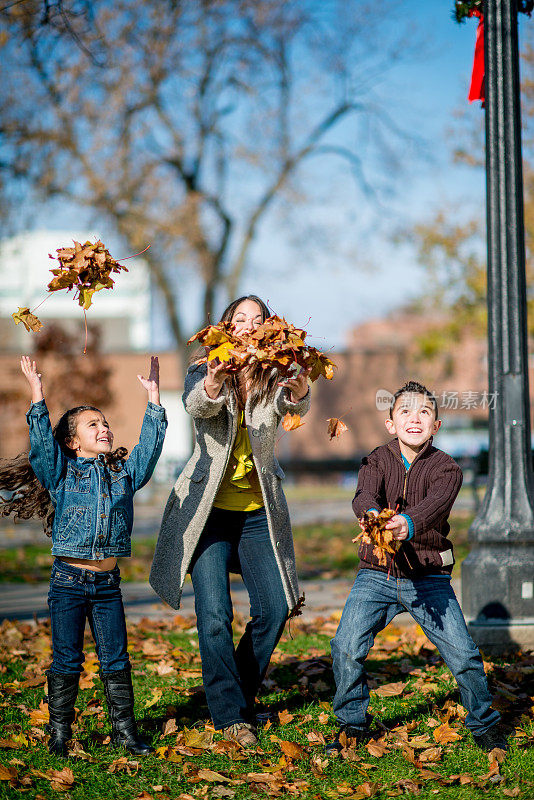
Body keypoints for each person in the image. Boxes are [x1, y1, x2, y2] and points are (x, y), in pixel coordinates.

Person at [150, 295, 310, 746]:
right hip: (208, 513)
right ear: (226, 324)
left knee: (276, 608)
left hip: (258, 511)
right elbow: (195, 407)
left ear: (268, 327)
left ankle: (231, 693)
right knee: (216, 613)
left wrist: (299, 392)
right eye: (240, 318)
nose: (248, 325)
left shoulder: (277, 367)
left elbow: (293, 408)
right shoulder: (205, 363)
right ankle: (230, 717)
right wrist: (216, 383)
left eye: (257, 319)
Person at [327, 380, 506, 754]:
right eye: (404, 411)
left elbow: (434, 508)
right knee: (346, 645)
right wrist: (373, 516)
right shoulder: (376, 459)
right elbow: (364, 495)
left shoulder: (447, 469)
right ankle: (351, 723)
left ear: (436, 426)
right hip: (377, 574)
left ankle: (484, 722)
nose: (415, 418)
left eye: (424, 412)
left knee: (465, 656)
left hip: (428, 578)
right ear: (391, 423)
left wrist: (405, 524)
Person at [2, 356, 167, 757]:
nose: (104, 428)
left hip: (108, 586)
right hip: (69, 584)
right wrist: (38, 395)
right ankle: (60, 735)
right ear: (74, 442)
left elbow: (149, 450)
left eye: (106, 423)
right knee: (67, 661)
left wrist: (155, 401)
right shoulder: (61, 473)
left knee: (116, 661)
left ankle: (126, 734)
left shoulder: (124, 474)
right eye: (93, 425)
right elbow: (42, 445)